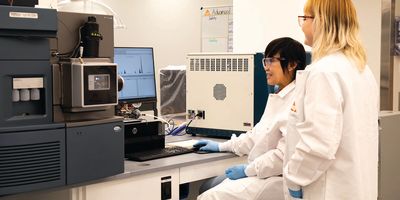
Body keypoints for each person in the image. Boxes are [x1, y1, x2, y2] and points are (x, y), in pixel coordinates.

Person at [283, 0, 379, 199]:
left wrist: (294, 178)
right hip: (356, 187)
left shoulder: (324, 72)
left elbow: (318, 144)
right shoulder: (361, 69)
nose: (302, 25)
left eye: (305, 18)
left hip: (329, 189)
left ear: (322, 22)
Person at [193, 37, 307, 200]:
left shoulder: (296, 100)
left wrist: (248, 170)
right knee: (208, 188)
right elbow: (257, 136)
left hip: (274, 178)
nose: (266, 68)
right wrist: (221, 146)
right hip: (261, 173)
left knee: (209, 197)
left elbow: (283, 156)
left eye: (271, 61)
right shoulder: (279, 95)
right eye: (265, 61)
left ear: (292, 64)